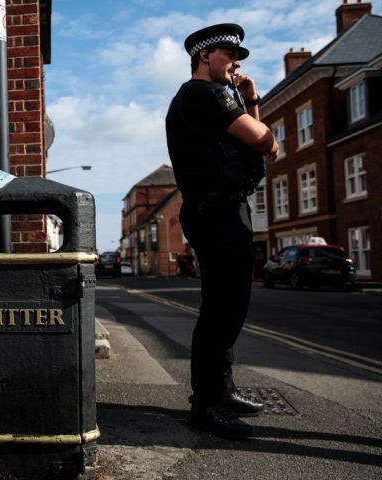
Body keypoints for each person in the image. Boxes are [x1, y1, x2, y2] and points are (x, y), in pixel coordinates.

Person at [165, 23, 279, 439]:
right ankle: (207, 405)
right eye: (230, 55)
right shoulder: (204, 94)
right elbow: (264, 141)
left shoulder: (213, 96)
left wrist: (250, 106)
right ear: (205, 55)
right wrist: (252, 104)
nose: (235, 64)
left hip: (222, 209)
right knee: (222, 309)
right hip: (216, 211)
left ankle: (222, 392)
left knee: (228, 307)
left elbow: (259, 140)